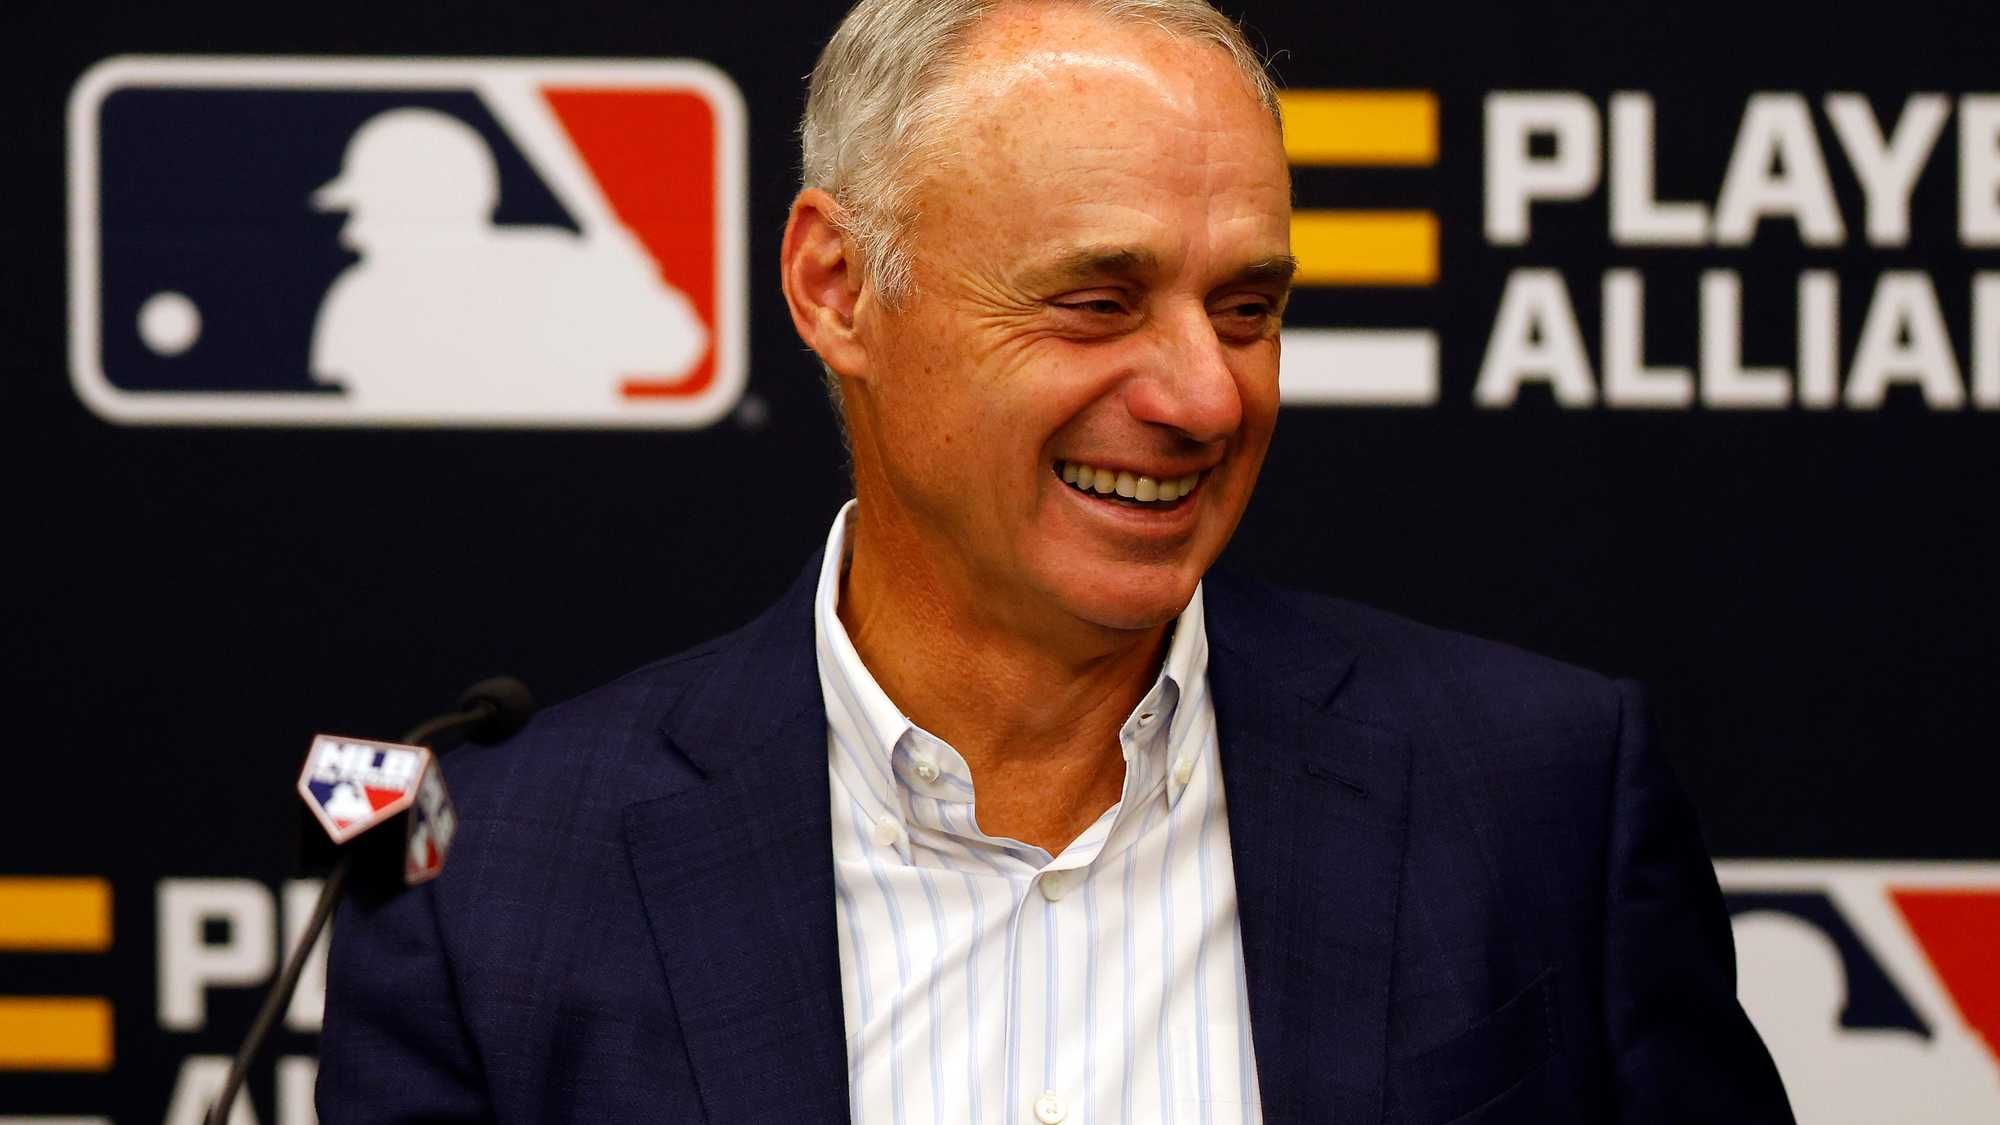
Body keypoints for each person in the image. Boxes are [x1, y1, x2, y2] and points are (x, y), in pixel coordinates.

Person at [317, 1, 1796, 1121]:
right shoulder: (482, 882)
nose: (1205, 396)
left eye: (1247, 309)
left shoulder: (1543, 801)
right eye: (1097, 301)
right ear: (839, 287)